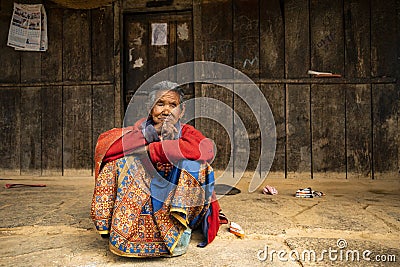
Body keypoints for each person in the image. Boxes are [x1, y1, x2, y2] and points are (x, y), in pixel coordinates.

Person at [91, 81, 223, 257]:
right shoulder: (140, 131)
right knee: (117, 163)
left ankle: (180, 227)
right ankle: (122, 226)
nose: (166, 111)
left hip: (178, 201)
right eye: (160, 104)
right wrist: (151, 134)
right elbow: (105, 148)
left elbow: (206, 150)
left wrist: (152, 150)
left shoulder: (187, 132)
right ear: (150, 108)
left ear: (181, 111)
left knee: (195, 165)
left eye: (173, 105)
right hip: (147, 197)